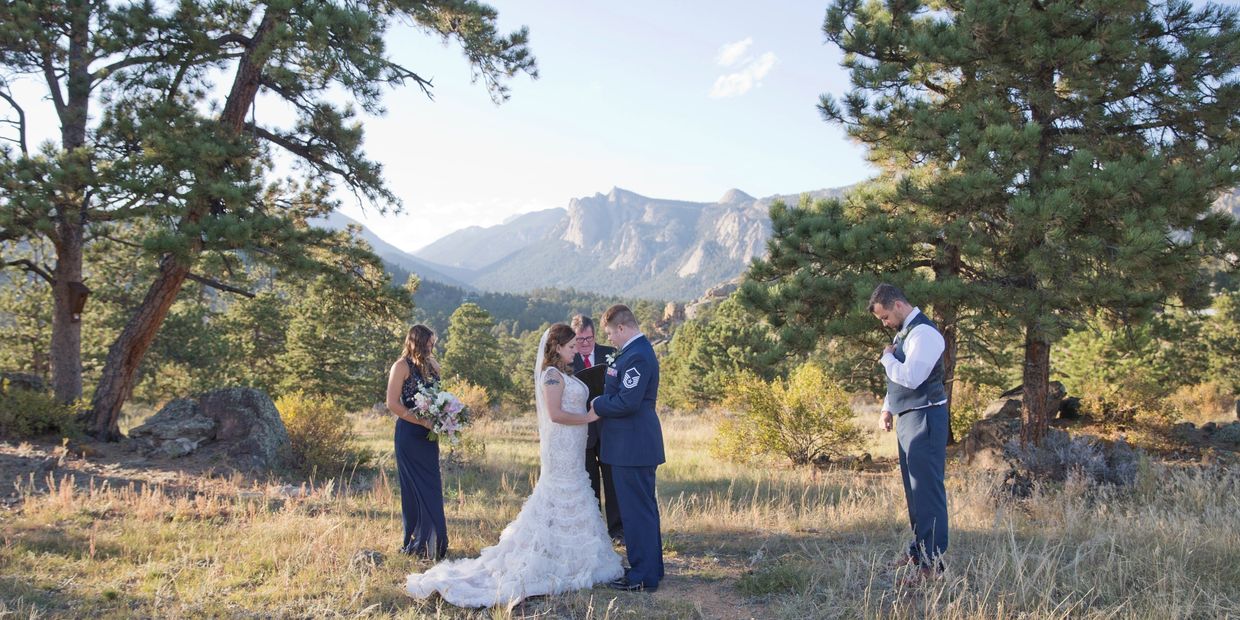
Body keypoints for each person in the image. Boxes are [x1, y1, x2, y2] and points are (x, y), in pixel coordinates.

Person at [405, 324, 623, 608]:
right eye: (570, 347)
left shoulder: (565, 374)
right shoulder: (552, 376)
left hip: (572, 449)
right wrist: (589, 418)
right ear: (556, 347)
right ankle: (546, 556)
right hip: (561, 449)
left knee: (575, 495)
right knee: (559, 496)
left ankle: (569, 554)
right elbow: (556, 414)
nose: (575, 351)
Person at [869, 283, 949, 582]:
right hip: (909, 418)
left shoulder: (925, 334)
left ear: (899, 306)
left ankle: (932, 567)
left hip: (926, 417)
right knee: (914, 493)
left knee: (927, 492)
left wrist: (887, 358)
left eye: (885, 317)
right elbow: (898, 383)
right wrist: (887, 408)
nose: (885, 323)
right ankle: (918, 552)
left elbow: (912, 378)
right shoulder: (904, 334)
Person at [588, 304, 665, 592]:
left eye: (610, 334)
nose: (610, 340)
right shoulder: (633, 352)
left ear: (622, 328)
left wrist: (597, 403)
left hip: (632, 446)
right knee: (642, 509)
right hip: (629, 445)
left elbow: (627, 402)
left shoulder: (638, 356)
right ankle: (652, 569)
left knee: (636, 512)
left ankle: (642, 575)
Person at [385, 325, 449, 559]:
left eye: (433, 343)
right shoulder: (401, 366)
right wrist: (420, 421)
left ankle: (436, 542)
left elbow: (439, 397)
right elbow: (392, 403)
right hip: (409, 434)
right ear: (416, 342)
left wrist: (445, 417)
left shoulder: (434, 366)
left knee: (431, 485)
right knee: (412, 488)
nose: (432, 347)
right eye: (429, 343)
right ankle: (416, 541)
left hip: (428, 435)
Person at [570, 313, 623, 542]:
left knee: (613, 481)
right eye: (580, 340)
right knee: (589, 482)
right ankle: (594, 530)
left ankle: (617, 529)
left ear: (594, 335)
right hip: (582, 432)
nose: (584, 344)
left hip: (609, 429)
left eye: (589, 339)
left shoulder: (610, 354)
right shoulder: (568, 360)